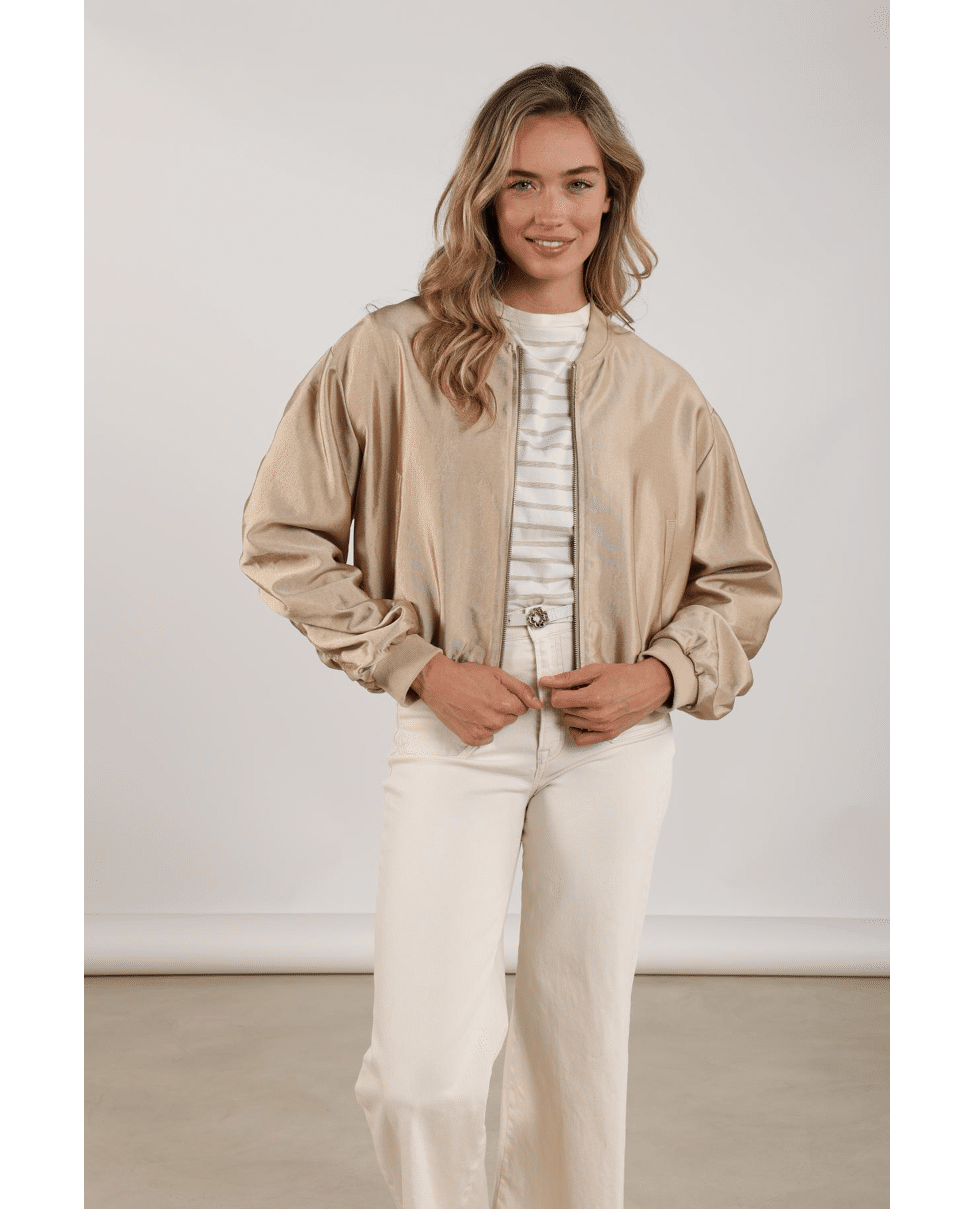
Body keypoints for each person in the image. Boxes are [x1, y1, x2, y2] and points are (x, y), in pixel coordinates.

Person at [239, 63, 781, 1209]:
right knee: (424, 1078)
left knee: (578, 1062)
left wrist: (659, 676)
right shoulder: (389, 353)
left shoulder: (663, 393)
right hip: (457, 731)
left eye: (578, 182)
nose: (551, 211)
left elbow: (741, 582)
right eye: (523, 183)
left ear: (612, 194)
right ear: (484, 195)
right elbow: (282, 535)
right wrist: (418, 667)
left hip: (611, 747)